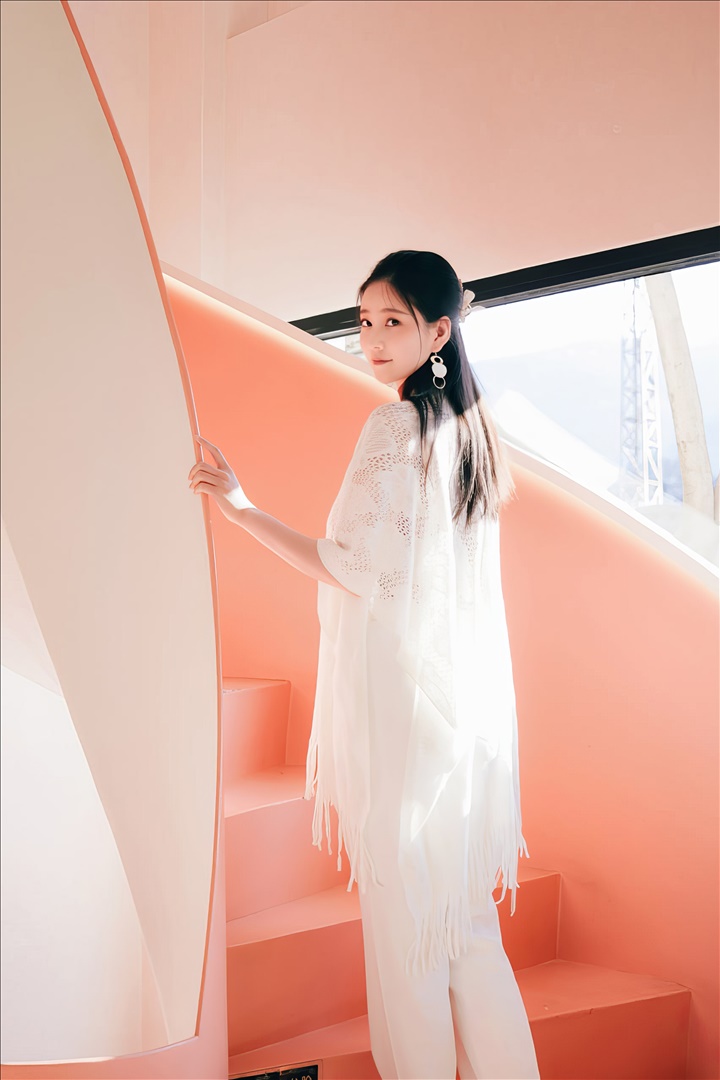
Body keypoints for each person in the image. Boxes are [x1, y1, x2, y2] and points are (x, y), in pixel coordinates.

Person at [188, 250, 540, 1080]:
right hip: (461, 718)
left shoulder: (395, 428)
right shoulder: (473, 436)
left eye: (392, 322)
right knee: (464, 931)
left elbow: (347, 565)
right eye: (364, 321)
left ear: (439, 332)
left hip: (404, 712)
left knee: (406, 930)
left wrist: (241, 509)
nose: (372, 339)